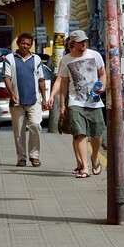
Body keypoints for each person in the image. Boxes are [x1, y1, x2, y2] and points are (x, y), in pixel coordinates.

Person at [48, 29, 106, 178]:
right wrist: (62, 104)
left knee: (97, 134)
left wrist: (103, 87)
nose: (84, 43)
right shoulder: (66, 60)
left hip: (94, 101)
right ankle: (85, 167)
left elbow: (103, 74)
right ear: (72, 43)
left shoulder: (95, 55)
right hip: (75, 101)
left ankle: (94, 157)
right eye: (81, 41)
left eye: (85, 41)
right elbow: (64, 83)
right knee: (80, 134)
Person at [2, 33, 47, 167]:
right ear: (18, 44)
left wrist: (44, 98)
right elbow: (7, 78)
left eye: (28, 44)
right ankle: (21, 157)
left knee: (35, 125)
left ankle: (35, 156)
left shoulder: (36, 59)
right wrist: (11, 93)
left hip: (34, 100)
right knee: (19, 130)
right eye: (23, 43)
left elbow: (41, 79)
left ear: (31, 45)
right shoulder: (10, 58)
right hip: (17, 101)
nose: (25, 46)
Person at [49, 36, 84, 174]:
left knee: (88, 134)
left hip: (89, 100)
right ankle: (80, 163)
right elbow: (59, 80)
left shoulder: (89, 57)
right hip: (73, 99)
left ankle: (90, 159)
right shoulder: (65, 60)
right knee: (77, 133)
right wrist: (52, 95)